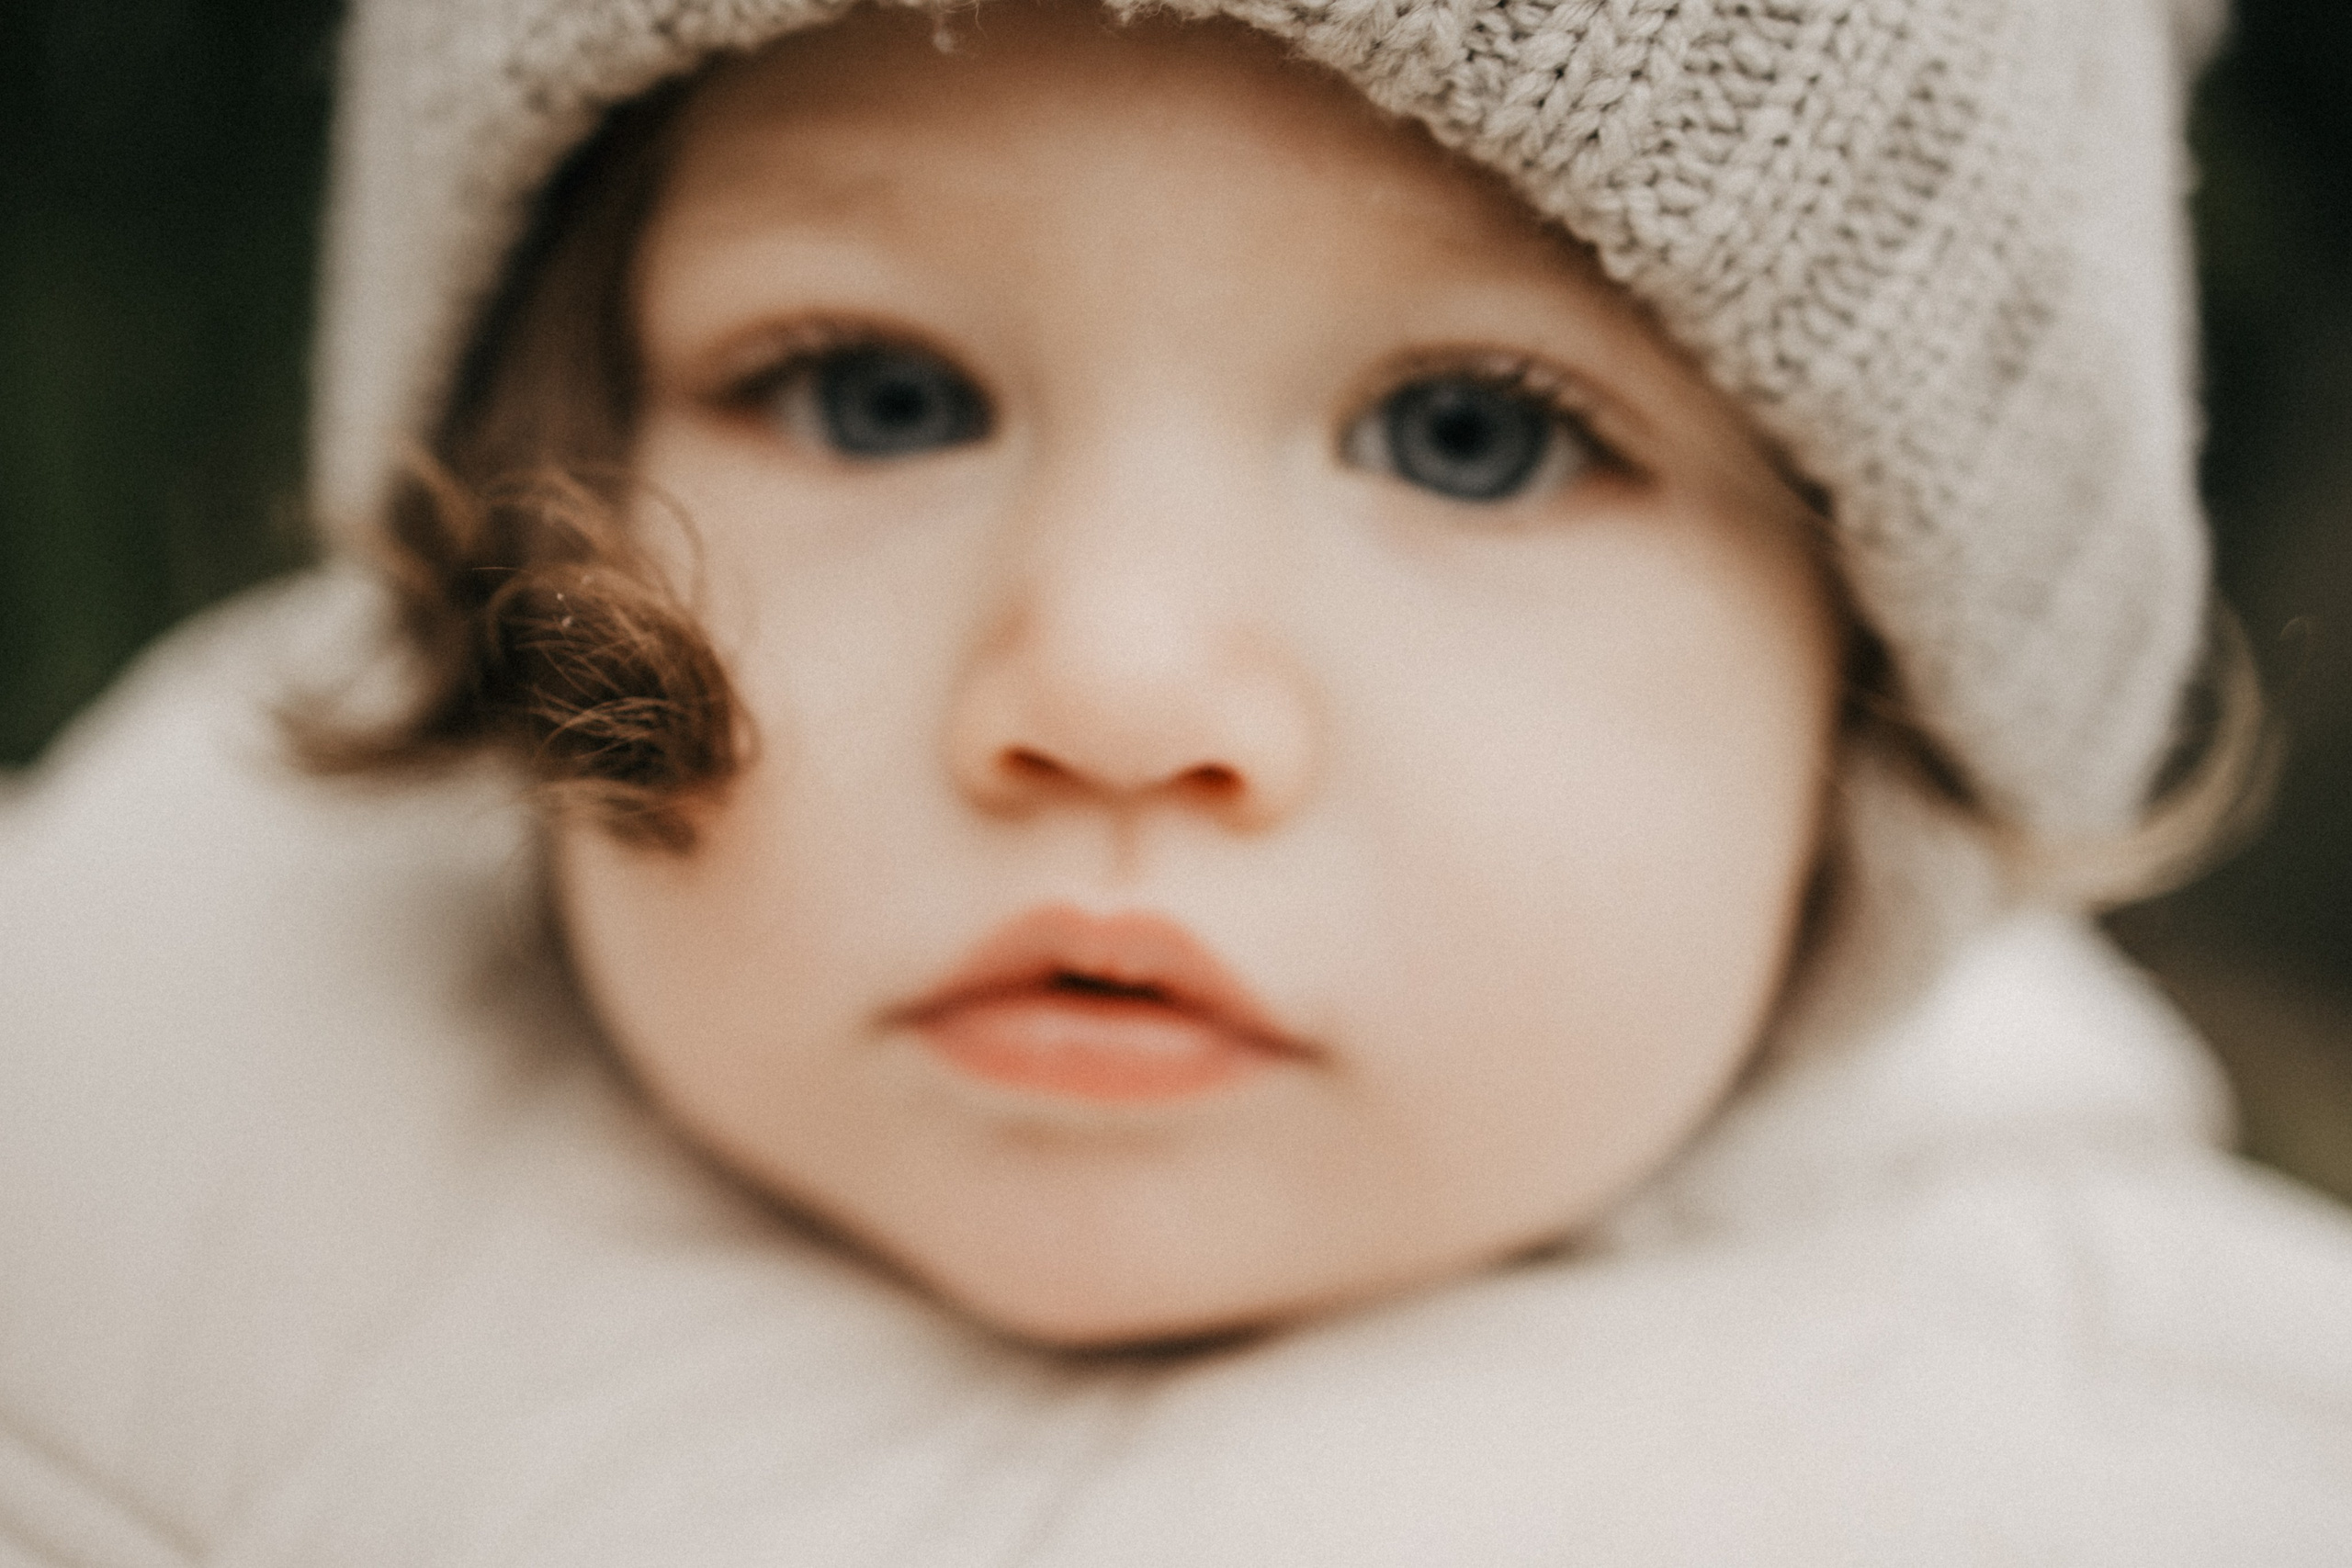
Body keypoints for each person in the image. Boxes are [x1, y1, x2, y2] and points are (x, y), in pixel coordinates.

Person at [4, 0, 2348, 1560]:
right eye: (874, 396)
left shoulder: (2139, 1465)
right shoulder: (109, 1104)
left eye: (1471, 433)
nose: (1111, 694)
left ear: (1879, 692)